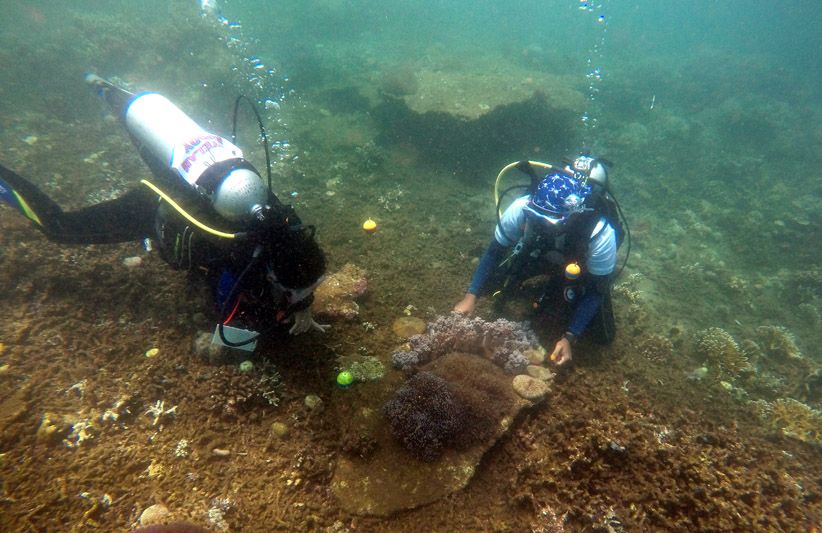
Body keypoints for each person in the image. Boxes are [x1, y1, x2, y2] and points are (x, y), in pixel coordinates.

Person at [0, 75, 328, 351]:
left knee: (143, 130)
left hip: (190, 162)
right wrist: (266, 336)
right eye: (301, 291)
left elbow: (298, 279)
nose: (306, 294)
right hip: (155, 206)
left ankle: (106, 90)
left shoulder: (287, 223)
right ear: (270, 271)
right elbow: (227, 330)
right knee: (59, 228)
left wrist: (302, 309)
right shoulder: (243, 262)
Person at [454, 155, 624, 366]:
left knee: (602, 336)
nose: (541, 225)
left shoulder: (600, 231)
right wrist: (471, 296)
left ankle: (556, 291)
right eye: (536, 218)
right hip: (539, 254)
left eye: (549, 222)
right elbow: (494, 251)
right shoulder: (522, 206)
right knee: (493, 284)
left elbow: (596, 289)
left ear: (572, 215)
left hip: (578, 267)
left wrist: (570, 336)